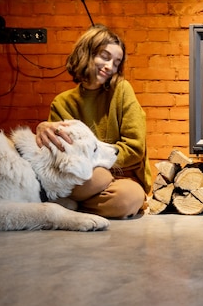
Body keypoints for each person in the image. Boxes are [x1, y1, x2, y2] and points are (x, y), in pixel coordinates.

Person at [35, 24, 151, 218]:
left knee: (124, 199)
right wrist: (43, 128)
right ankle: (71, 204)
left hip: (120, 178)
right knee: (91, 179)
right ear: (86, 53)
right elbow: (58, 156)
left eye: (116, 62)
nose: (110, 67)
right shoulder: (62, 102)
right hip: (81, 177)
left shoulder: (122, 90)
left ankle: (65, 206)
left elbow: (134, 149)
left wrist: (96, 164)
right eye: (105, 57)